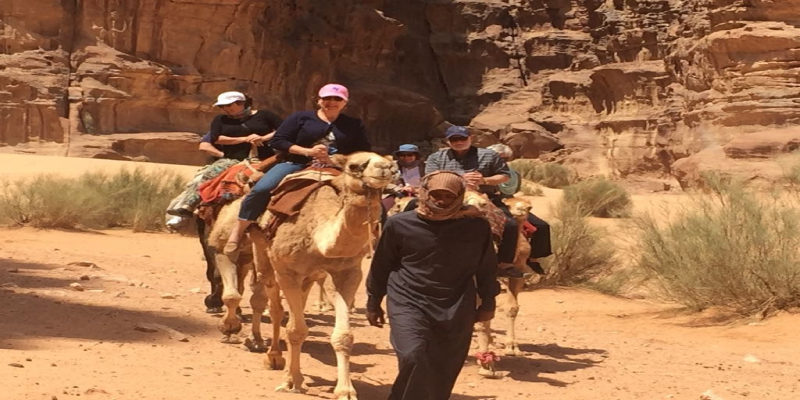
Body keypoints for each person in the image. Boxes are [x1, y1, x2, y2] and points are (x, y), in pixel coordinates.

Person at [366, 171, 499, 400]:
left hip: (456, 302)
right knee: (413, 355)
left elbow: (485, 267)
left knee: (444, 364)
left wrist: (488, 301)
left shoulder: (476, 227)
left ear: (460, 197)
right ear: (424, 192)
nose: (441, 201)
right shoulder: (400, 224)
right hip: (408, 299)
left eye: (448, 196)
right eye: (436, 194)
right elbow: (381, 265)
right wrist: (373, 300)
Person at [224, 83, 371, 254]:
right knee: (261, 189)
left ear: (345, 102)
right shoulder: (300, 117)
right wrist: (307, 151)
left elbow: (363, 150)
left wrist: (334, 160)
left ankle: (373, 235)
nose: (332, 102)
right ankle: (239, 231)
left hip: (337, 167)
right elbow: (278, 140)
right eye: (327, 98)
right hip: (296, 163)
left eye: (337, 99)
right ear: (319, 101)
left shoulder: (353, 124)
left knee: (368, 194)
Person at [425, 125, 551, 277]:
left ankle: (504, 264)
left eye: (462, 138)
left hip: (485, 197)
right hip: (447, 198)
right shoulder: (436, 158)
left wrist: (484, 179)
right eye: (454, 139)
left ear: (470, 138)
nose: (458, 142)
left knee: (509, 224)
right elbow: (430, 178)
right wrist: (458, 179)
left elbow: (505, 176)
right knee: (407, 216)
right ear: (448, 141)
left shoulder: (489, 156)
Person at [165, 91, 282, 225]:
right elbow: (217, 138)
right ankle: (187, 207)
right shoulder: (220, 119)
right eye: (222, 106)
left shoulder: (265, 115)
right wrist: (243, 139)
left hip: (266, 159)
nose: (225, 109)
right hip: (233, 159)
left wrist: (262, 138)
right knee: (208, 175)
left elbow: (283, 129)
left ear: (241, 103)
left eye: (228, 105)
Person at [381, 144, 425, 211]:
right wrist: (398, 188)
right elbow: (384, 182)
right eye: (402, 155)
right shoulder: (392, 166)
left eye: (410, 155)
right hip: (397, 193)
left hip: (420, 194)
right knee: (383, 207)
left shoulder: (425, 167)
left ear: (416, 156)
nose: (406, 157)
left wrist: (416, 190)